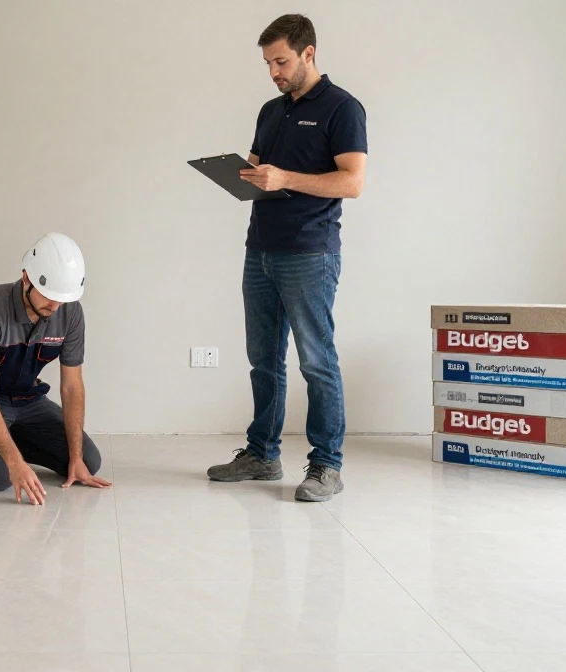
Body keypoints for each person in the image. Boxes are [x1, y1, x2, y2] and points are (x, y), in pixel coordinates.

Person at [207, 14, 367, 502]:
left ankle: (327, 465)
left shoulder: (343, 108)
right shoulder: (270, 110)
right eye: (268, 64)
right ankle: (262, 455)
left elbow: (352, 182)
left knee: (317, 362)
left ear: (308, 53)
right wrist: (242, 174)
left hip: (310, 253)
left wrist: (285, 178)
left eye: (280, 61)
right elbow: (259, 170)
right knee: (263, 361)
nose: (273, 72)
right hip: (260, 249)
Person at [0, 233, 111, 504]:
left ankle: (4, 437)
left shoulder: (70, 312)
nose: (55, 307)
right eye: (49, 296)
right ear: (26, 277)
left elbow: (72, 386)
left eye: (62, 299)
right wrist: (14, 462)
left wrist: (75, 457)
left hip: (28, 399)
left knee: (89, 461)